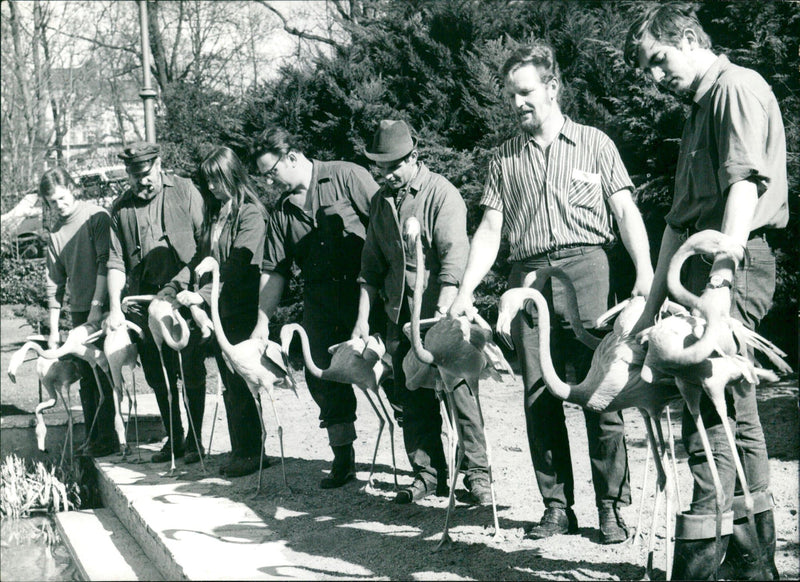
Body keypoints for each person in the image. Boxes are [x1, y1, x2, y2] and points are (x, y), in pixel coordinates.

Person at [449, 43, 654, 544]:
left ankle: (611, 506)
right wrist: (465, 288)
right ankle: (557, 506)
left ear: (552, 87)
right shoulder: (504, 159)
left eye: (525, 92)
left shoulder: (595, 144)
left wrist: (646, 275)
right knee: (538, 392)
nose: (517, 103)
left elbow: (626, 213)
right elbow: (491, 229)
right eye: (510, 95)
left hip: (588, 267)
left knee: (599, 390)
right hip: (528, 276)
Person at [624, 4, 787, 579]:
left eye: (659, 61)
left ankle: (708, 562)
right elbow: (675, 222)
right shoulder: (697, 112)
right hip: (700, 267)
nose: (653, 77)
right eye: (647, 69)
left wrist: (720, 279)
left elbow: (743, 187)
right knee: (728, 410)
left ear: (690, 38)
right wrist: (646, 313)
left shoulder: (736, 89)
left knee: (710, 407)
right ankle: (751, 564)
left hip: (733, 263)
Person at [351, 119, 493, 505]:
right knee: (411, 398)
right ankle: (427, 474)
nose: (386, 174)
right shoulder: (381, 203)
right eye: (380, 167)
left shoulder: (441, 194)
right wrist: (364, 319)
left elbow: (453, 257)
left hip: (439, 314)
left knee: (458, 392)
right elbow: (371, 267)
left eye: (394, 166)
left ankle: (477, 474)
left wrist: (446, 311)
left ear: (414, 157)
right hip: (399, 318)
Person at [249, 125, 380, 489]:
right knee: (321, 375)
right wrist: (262, 320)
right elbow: (274, 271)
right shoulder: (282, 213)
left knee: (393, 374)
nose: (270, 181)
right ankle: (343, 456)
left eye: (272, 172)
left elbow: (386, 229)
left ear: (291, 156)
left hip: (366, 293)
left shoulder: (347, 176)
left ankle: (425, 462)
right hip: (320, 300)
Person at [105, 142, 207, 465]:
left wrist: (190, 291)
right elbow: (116, 263)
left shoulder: (185, 191)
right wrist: (114, 307)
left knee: (189, 368)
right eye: (134, 177)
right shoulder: (120, 209)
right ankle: (174, 437)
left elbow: (205, 244)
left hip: (182, 296)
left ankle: (196, 439)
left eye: (146, 175)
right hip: (143, 301)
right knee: (156, 374)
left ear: (159, 165)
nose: (141, 183)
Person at [176, 146, 268, 478]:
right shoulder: (220, 212)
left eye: (217, 181)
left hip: (240, 306)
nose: (212, 188)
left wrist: (201, 295)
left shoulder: (250, 214)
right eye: (209, 182)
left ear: (232, 175)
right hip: (221, 306)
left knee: (239, 380)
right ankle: (243, 448)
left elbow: (239, 265)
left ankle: (250, 452)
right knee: (230, 381)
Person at [40, 167, 117, 457]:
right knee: (86, 377)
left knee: (104, 375)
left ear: (73, 188)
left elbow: (104, 263)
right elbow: (54, 284)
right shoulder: (56, 234)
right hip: (79, 310)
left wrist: (98, 308)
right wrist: (52, 331)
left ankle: (107, 439)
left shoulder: (96, 216)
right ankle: (93, 436)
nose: (59, 206)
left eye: (62, 198)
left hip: (103, 306)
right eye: (52, 202)